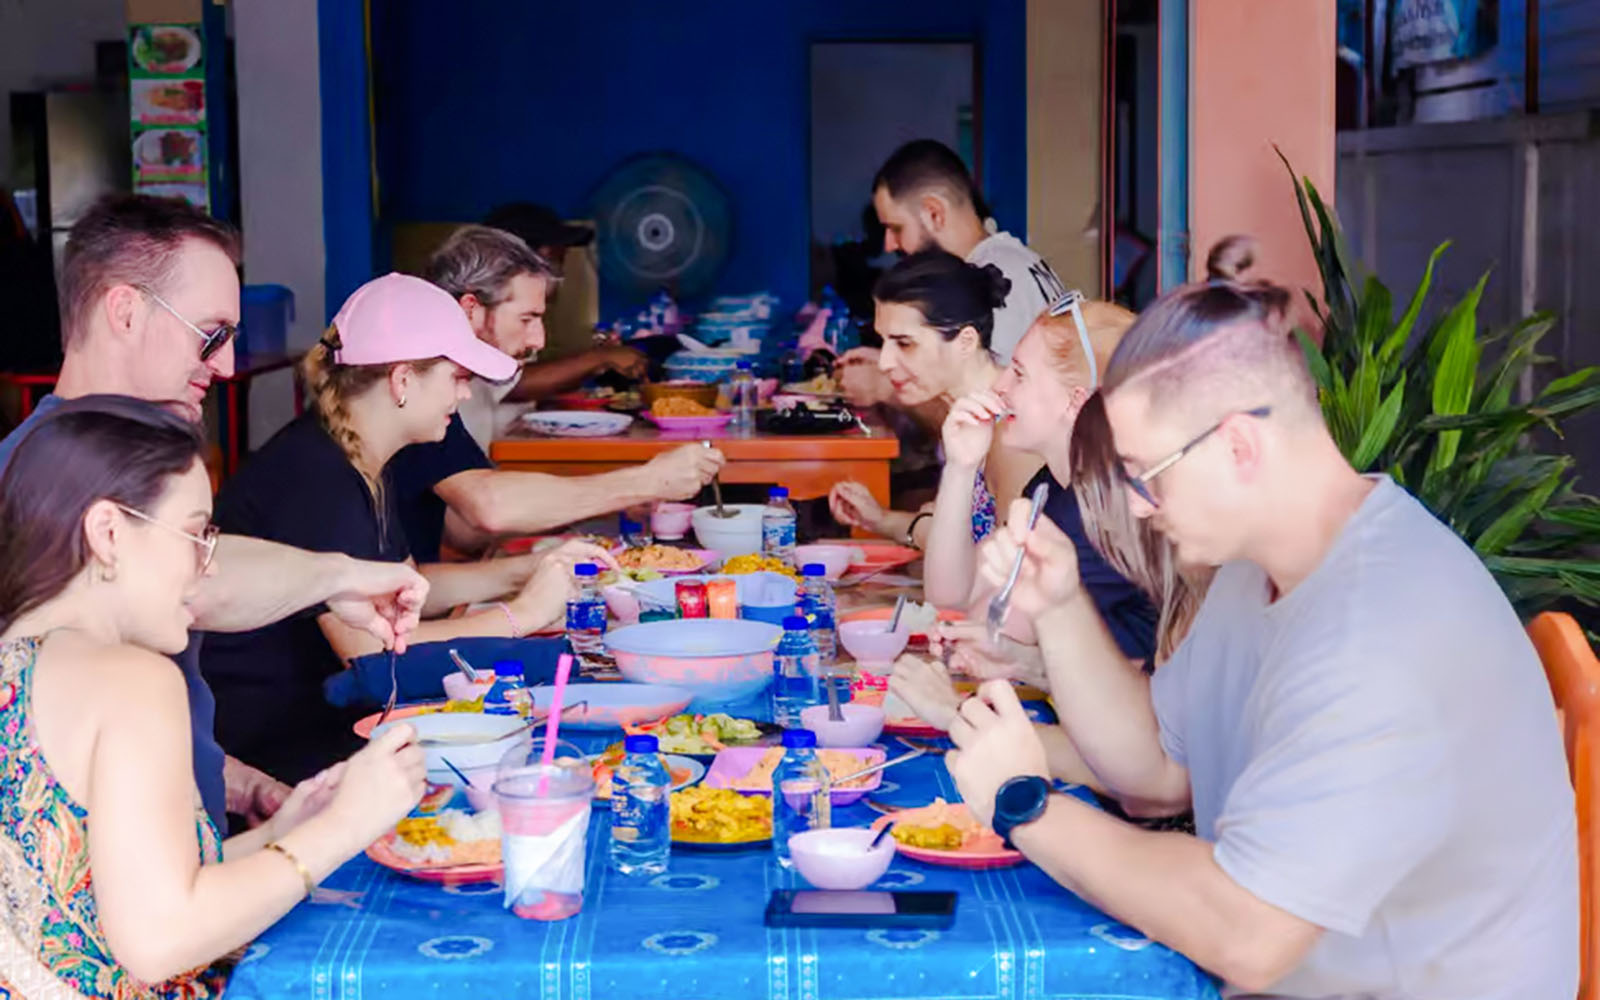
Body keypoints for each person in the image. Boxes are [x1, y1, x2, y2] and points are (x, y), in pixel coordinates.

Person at [945, 237, 1577, 996]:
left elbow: (1248, 934)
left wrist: (1026, 803)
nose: (1140, 507)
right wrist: (1061, 604)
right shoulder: (1256, 566)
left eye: (1148, 476)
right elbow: (1158, 773)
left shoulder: (1381, 632)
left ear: (1239, 445)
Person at [0, 194, 428, 835]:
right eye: (212, 334)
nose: (227, 364)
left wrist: (226, 777)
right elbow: (205, 586)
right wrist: (341, 577)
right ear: (125, 311)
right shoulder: (37, 478)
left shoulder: (125, 461)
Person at [0, 398, 425, 998]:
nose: (207, 567)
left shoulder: (20, 667)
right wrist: (350, 823)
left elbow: (102, 897)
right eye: (198, 534)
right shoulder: (132, 679)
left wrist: (288, 832)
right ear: (109, 533)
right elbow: (159, 938)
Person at [202, 273, 612, 784]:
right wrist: (523, 613)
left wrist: (530, 570)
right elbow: (371, 655)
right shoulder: (317, 475)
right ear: (402, 380)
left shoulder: (364, 456)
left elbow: (406, 584)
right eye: (457, 377)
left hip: (331, 726)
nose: (464, 396)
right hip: (282, 755)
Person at [886, 299, 1162, 730]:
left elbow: (986, 620)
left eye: (1019, 373)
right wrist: (961, 466)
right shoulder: (1049, 488)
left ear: (1075, 401)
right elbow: (952, 593)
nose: (1001, 387)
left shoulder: (1106, 513)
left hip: (1114, 755)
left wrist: (999, 653)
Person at [388, 224, 724, 561]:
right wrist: (647, 480)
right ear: (470, 309)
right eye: (526, 318)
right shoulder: (413, 383)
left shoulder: (437, 385)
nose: (539, 341)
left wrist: (609, 502)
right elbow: (488, 509)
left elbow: (464, 531)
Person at [828, 250, 1041, 563]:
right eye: (884, 341)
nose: (885, 363)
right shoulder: (967, 417)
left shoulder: (1012, 434)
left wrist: (928, 524)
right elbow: (955, 535)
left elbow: (1003, 576)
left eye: (904, 343)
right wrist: (880, 519)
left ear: (966, 341)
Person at [838, 139, 1066, 410]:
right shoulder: (1009, 262)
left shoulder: (996, 281)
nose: (889, 244)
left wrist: (886, 388)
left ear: (934, 213)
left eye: (896, 228)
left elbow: (993, 416)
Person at [481, 201, 651, 401]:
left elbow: (527, 377)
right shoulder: (486, 313)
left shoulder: (519, 310)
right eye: (557, 262)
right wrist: (598, 358)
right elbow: (515, 384)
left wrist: (597, 363)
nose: (560, 276)